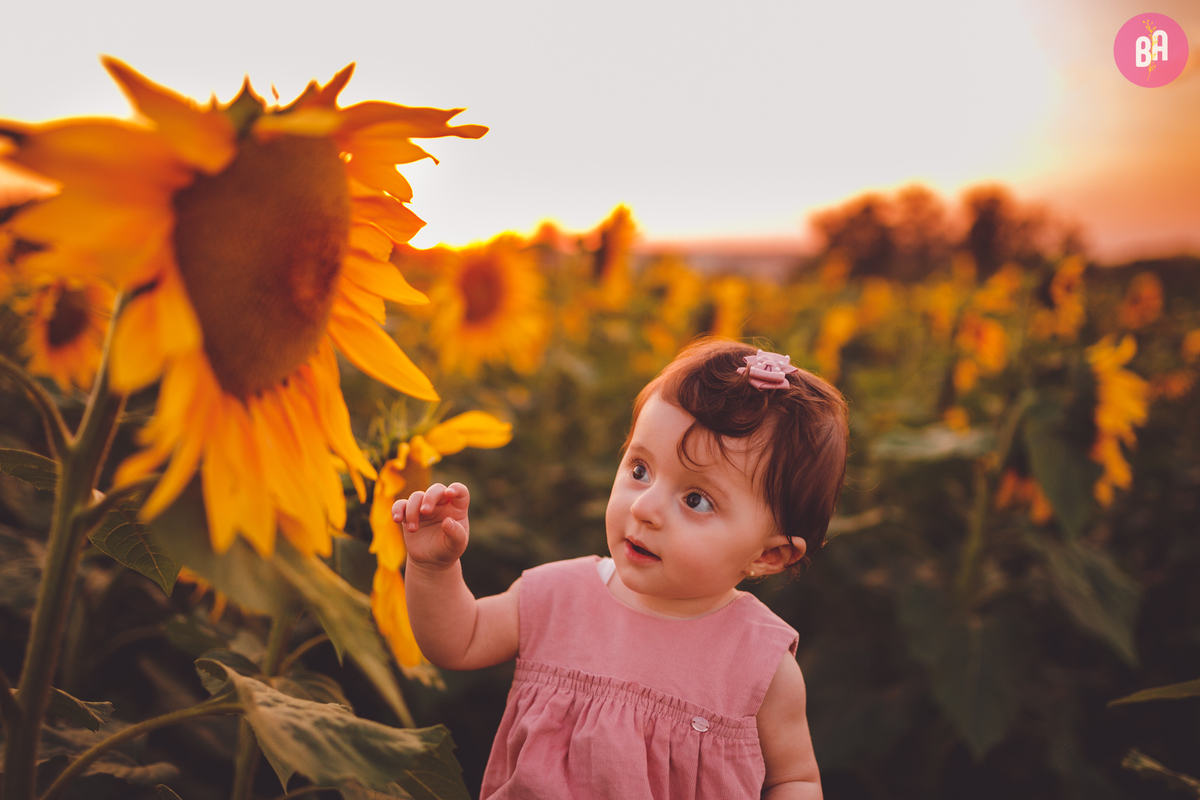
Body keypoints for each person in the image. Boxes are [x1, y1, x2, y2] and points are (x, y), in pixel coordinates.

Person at [394, 337, 848, 799]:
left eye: (696, 499)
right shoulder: (556, 595)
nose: (646, 507)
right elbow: (457, 640)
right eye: (639, 470)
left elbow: (794, 779)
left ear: (767, 555)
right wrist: (433, 569)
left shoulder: (759, 663)